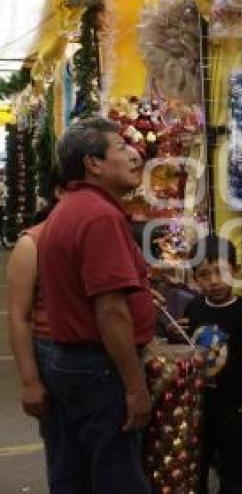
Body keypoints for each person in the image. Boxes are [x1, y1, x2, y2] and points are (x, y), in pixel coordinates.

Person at [38, 118, 154, 493]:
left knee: (75, 473)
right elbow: (110, 311)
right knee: (117, 475)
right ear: (94, 164)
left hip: (72, 364)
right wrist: (135, 387)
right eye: (122, 148)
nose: (135, 155)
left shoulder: (68, 209)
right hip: (99, 369)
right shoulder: (100, 216)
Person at [183, 234, 242, 494]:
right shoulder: (194, 308)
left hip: (238, 404)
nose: (215, 281)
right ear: (195, 279)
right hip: (200, 405)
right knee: (197, 467)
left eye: (221, 271)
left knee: (236, 471)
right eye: (205, 275)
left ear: (236, 270)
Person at [7, 168, 64, 468]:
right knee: (66, 457)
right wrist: (30, 381)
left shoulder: (107, 230)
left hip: (102, 363)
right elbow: (19, 316)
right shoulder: (33, 243)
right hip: (57, 358)